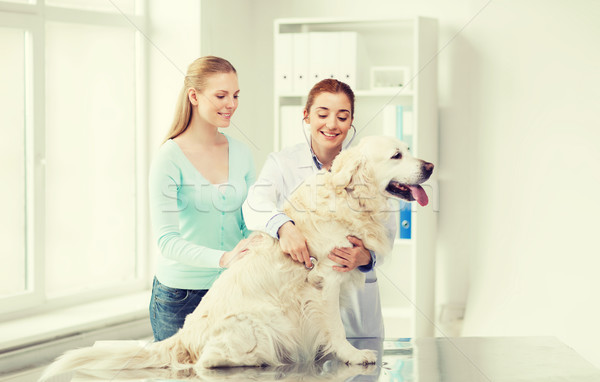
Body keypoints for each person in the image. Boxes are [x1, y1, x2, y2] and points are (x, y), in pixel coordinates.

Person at [243, 79, 394, 338]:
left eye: (342, 116)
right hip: (299, 302)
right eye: (322, 114)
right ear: (307, 116)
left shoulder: (369, 164)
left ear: (351, 120)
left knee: (360, 370)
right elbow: (254, 202)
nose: (332, 124)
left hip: (354, 309)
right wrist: (283, 227)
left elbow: (386, 229)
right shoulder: (283, 163)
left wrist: (367, 258)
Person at [148, 56, 256, 341]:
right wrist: (224, 258)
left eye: (235, 95)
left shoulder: (242, 152)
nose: (230, 104)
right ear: (194, 96)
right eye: (221, 95)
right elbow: (167, 242)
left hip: (233, 291)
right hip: (179, 298)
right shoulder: (168, 158)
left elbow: (250, 222)